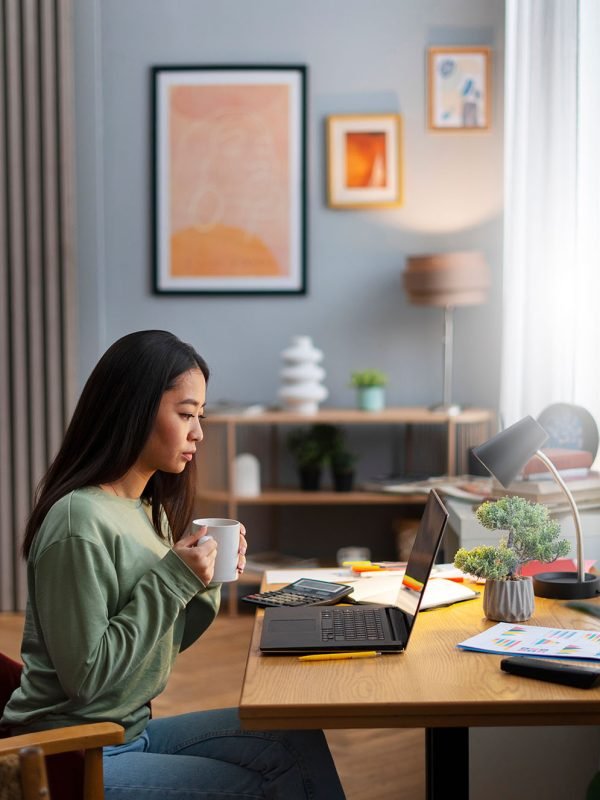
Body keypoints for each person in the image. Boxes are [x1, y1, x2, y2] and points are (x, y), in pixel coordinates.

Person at [1, 330, 345, 799]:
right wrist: (174, 579)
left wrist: (204, 581)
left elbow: (156, 647)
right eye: (186, 414)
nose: (198, 433)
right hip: (69, 755)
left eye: (199, 416)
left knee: (294, 736)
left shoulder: (147, 508)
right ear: (134, 409)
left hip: (126, 734)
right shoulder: (77, 521)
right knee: (249, 788)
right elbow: (88, 680)